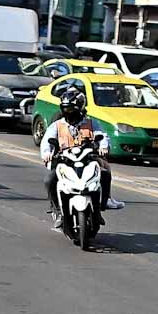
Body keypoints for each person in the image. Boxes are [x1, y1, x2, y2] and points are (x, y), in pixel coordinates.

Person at [38, 82, 121, 220]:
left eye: (71, 109)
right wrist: (47, 153)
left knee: (105, 174)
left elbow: (103, 136)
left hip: (88, 159)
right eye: (66, 109)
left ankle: (104, 202)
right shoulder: (57, 125)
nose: (68, 112)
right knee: (49, 180)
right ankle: (57, 209)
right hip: (64, 161)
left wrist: (103, 146)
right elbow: (47, 141)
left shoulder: (91, 123)